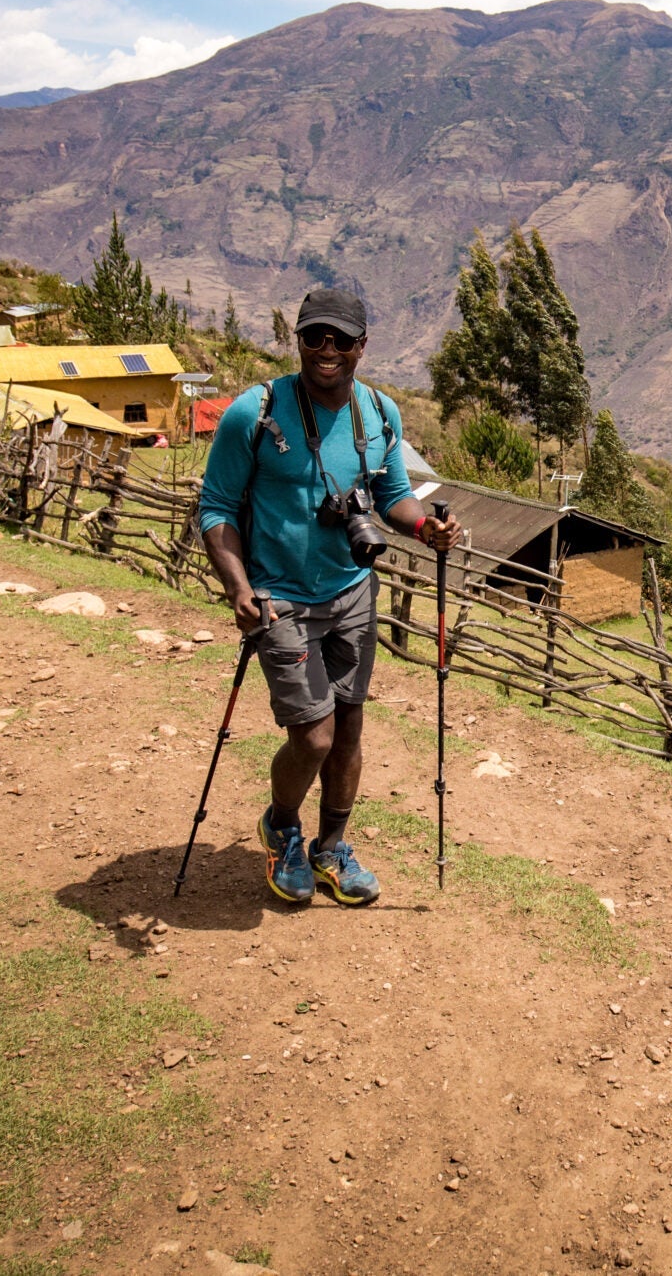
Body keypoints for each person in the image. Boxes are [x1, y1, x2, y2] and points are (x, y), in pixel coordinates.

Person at [199, 287, 460, 907]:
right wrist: (238, 588)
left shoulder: (380, 413)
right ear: (297, 340)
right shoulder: (255, 412)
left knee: (348, 729)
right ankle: (282, 825)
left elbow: (393, 496)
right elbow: (215, 507)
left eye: (340, 339)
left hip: (352, 593)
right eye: (314, 335)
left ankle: (331, 848)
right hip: (279, 598)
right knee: (313, 736)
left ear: (361, 346)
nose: (326, 348)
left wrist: (425, 528)